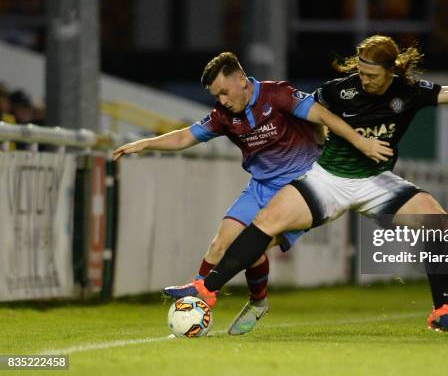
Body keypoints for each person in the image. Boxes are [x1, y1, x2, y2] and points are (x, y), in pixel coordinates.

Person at [186, 35, 448, 336]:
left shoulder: (409, 93)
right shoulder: (340, 90)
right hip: (328, 179)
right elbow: (303, 113)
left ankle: (441, 311)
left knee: (437, 220)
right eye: (360, 72)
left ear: (392, 71)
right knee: (264, 224)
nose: (364, 80)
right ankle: (208, 289)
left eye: (372, 75)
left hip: (375, 183)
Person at [112, 51, 392, 335]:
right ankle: (199, 293)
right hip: (259, 188)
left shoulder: (278, 95)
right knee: (219, 245)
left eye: (224, 92)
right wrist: (145, 143)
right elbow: (185, 136)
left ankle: (254, 302)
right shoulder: (223, 116)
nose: (222, 100)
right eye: (216, 95)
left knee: (251, 245)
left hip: (300, 193)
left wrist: (359, 142)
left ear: (242, 81)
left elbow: (322, 114)